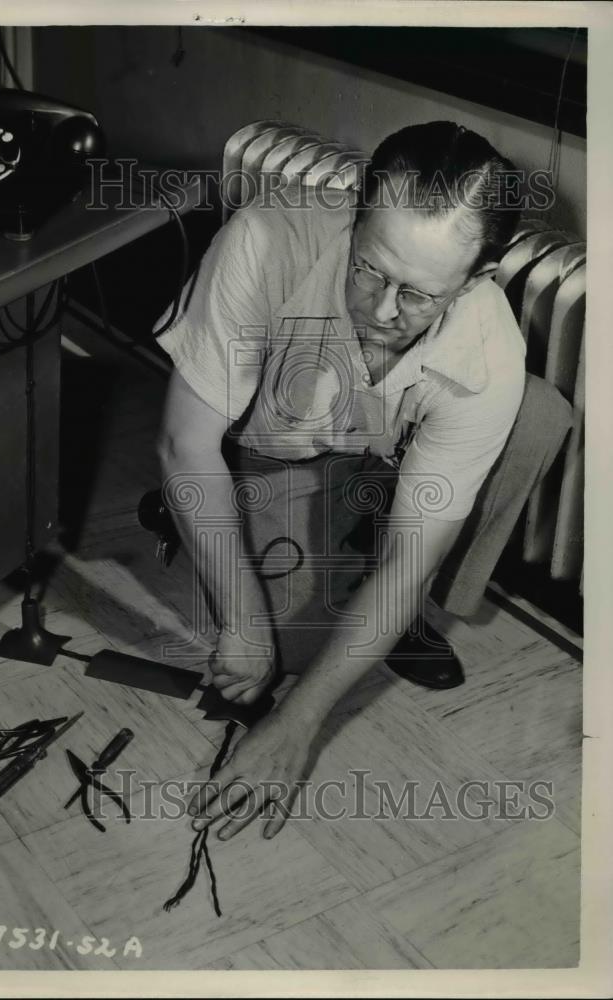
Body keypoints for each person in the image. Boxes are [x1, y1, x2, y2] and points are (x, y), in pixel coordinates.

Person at [154, 121, 571, 841]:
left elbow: (412, 559)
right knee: (268, 656)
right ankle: (233, 530)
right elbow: (182, 443)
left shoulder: (487, 344)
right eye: (369, 269)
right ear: (354, 216)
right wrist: (244, 622)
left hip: (379, 444)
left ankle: (397, 605)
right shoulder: (262, 241)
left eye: (417, 296)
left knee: (536, 415)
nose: (381, 312)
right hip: (274, 446)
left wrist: (300, 724)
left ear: (474, 281)